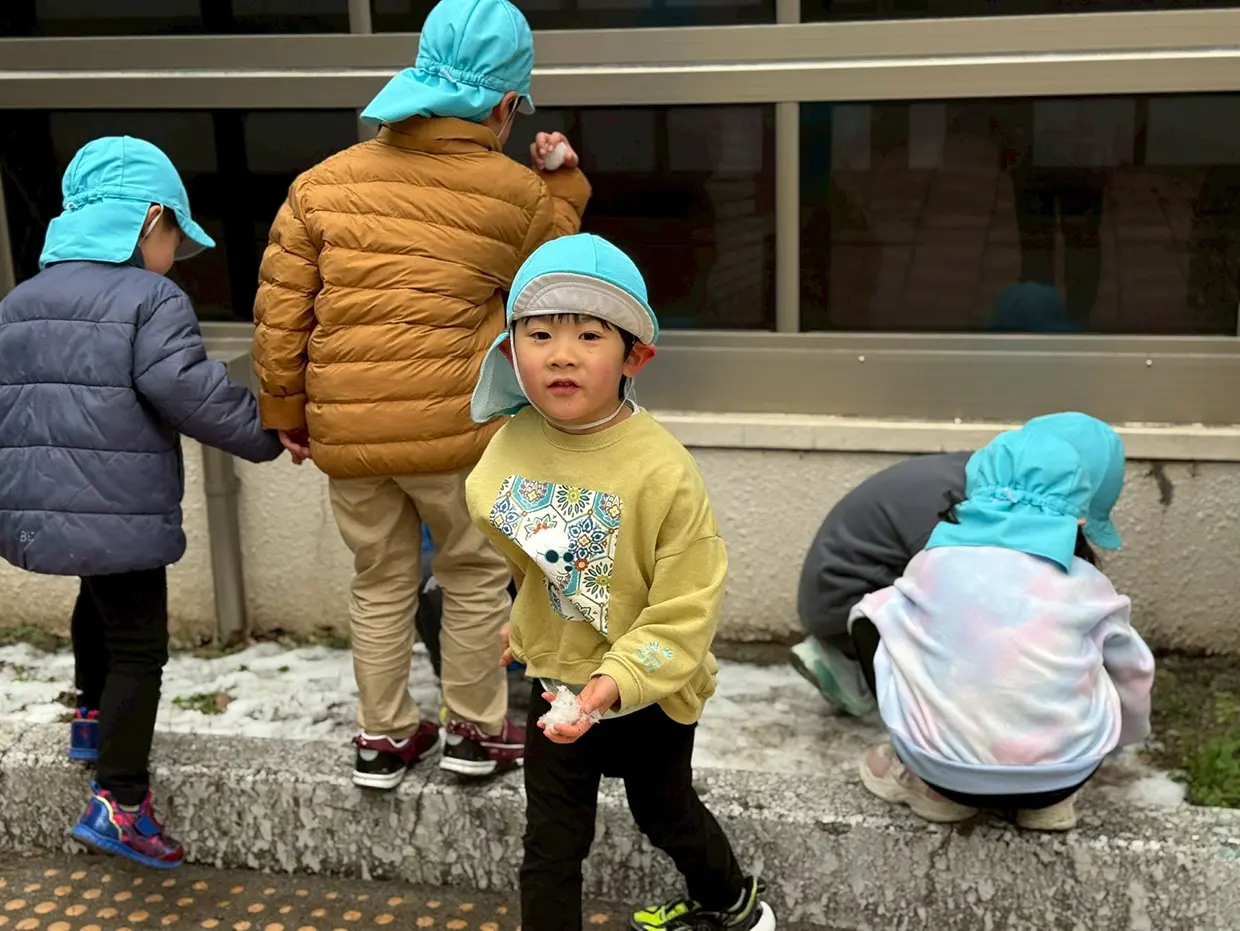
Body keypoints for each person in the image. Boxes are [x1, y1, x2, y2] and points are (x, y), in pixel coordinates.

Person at [250, 0, 592, 789]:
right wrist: (563, 183)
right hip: (455, 434)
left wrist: (286, 414)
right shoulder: (515, 194)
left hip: (349, 438)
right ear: (505, 105)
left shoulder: (320, 186)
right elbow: (556, 282)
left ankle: (383, 737)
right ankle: (474, 731)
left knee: (378, 579)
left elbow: (280, 314)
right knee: (471, 576)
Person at [465, 233, 775, 931]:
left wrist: (609, 686)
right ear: (511, 352)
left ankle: (733, 903)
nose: (561, 354)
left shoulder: (663, 471)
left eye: (589, 334)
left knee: (663, 810)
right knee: (551, 842)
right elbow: (532, 551)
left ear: (635, 356)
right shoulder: (511, 443)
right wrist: (526, 619)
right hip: (558, 680)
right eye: (539, 334)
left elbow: (686, 608)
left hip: (651, 687)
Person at [0, 136, 283, 868]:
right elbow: (184, 388)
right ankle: (120, 800)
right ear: (148, 218)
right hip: (116, 501)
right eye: (173, 238)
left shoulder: (21, 300)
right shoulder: (151, 298)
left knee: (97, 599)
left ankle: (91, 717)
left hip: (41, 500)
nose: (173, 257)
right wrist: (269, 434)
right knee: (139, 646)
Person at [849, 428, 1155, 832]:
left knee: (873, 615)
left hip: (943, 771)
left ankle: (929, 790)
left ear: (973, 493)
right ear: (1080, 518)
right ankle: (1050, 807)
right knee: (1098, 646)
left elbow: (876, 616)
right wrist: (1120, 739)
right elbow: (1134, 670)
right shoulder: (1087, 583)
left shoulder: (934, 562)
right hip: (1064, 774)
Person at [791, 411, 1125, 716]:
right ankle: (857, 670)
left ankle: (861, 666)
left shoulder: (993, 487)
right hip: (847, 605)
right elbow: (966, 607)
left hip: (865, 590)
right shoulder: (957, 504)